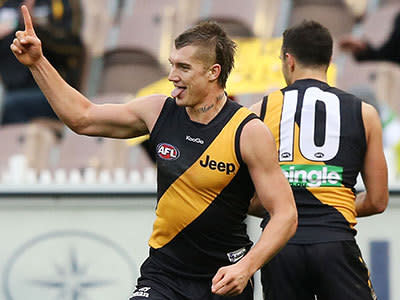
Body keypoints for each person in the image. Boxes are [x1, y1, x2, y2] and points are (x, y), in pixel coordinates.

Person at [11, 5, 297, 299]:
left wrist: (246, 268)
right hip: (163, 275)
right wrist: (37, 62)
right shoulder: (158, 111)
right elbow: (82, 118)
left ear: (214, 72)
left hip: (222, 279)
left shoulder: (247, 131)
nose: (172, 75)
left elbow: (285, 214)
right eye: (172, 64)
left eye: (183, 68)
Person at [249, 20, 388, 300]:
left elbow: (248, 199)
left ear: (288, 60)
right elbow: (377, 200)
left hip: (279, 247)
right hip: (335, 243)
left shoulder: (258, 112)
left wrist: (287, 204)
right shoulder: (365, 113)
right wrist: (332, 199)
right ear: (331, 59)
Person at [0, 0, 83, 125]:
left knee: (9, 106)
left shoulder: (62, 4)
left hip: (52, 92)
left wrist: (37, 30)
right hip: (9, 90)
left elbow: (74, 48)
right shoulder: (6, 5)